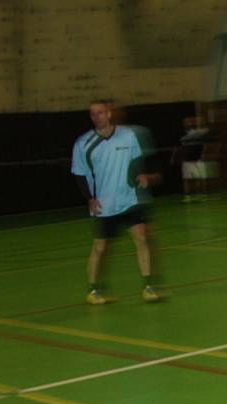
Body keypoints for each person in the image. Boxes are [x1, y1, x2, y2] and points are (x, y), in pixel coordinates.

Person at [71, 100, 160, 304]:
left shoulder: (128, 135)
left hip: (128, 199)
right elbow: (80, 174)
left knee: (141, 238)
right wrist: (90, 198)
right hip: (104, 204)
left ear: (109, 114)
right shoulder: (83, 143)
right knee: (100, 248)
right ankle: (93, 291)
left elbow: (135, 160)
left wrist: (141, 176)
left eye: (100, 113)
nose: (96, 117)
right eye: (92, 114)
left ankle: (148, 287)